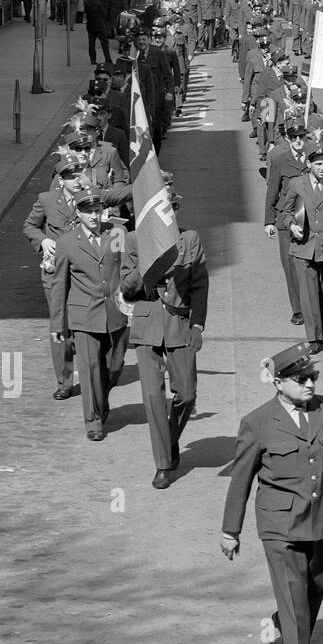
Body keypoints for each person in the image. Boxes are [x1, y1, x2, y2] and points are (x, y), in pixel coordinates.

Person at [220, 343, 323, 644]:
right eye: (301, 379)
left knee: (316, 583)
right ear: (278, 383)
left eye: (312, 376)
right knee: (292, 592)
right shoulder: (257, 424)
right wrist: (230, 531)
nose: (310, 384)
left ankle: (286, 623)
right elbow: (241, 478)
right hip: (280, 525)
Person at [120, 175, 208, 489]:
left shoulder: (190, 239)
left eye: (170, 209)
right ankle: (163, 464)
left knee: (186, 393)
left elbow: (199, 284)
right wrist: (146, 265)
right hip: (147, 327)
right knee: (153, 397)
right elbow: (127, 290)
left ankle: (169, 439)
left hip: (180, 325)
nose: (165, 216)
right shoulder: (133, 242)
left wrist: (198, 324)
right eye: (159, 211)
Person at [49, 193, 126, 442]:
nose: (94, 216)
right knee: (90, 367)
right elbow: (60, 284)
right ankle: (92, 420)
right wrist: (58, 324)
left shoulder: (115, 233)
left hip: (115, 312)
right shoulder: (67, 242)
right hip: (84, 316)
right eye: (88, 211)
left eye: (97, 210)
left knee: (114, 367)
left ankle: (101, 402)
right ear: (79, 214)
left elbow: (127, 268)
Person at [24, 156, 89, 399]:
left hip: (84, 272)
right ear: (61, 181)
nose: (76, 180)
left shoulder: (91, 198)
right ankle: (64, 380)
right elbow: (29, 226)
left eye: (79, 174)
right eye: (71, 177)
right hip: (56, 274)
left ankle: (93, 369)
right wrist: (44, 241)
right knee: (59, 326)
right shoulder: (47, 200)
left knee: (86, 322)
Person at [277, 138, 323, 352]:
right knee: (308, 295)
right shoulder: (297, 184)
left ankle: (320, 324)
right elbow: (285, 212)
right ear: (309, 164)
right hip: (303, 248)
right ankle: (313, 337)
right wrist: (291, 226)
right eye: (318, 164)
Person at [264, 120, 311, 328]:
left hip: (310, 219)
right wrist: (269, 221)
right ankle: (298, 309)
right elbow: (272, 192)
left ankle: (313, 304)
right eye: (294, 138)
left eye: (302, 137)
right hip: (286, 219)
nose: (298, 141)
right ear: (289, 140)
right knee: (290, 265)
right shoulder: (280, 160)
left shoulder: (314, 160)